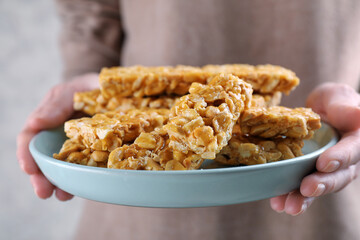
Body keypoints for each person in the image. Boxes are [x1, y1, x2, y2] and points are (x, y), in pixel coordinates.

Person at [17, 0, 360, 239]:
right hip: (133, 213)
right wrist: (86, 72)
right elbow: (88, 8)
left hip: (317, 208)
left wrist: (353, 100)